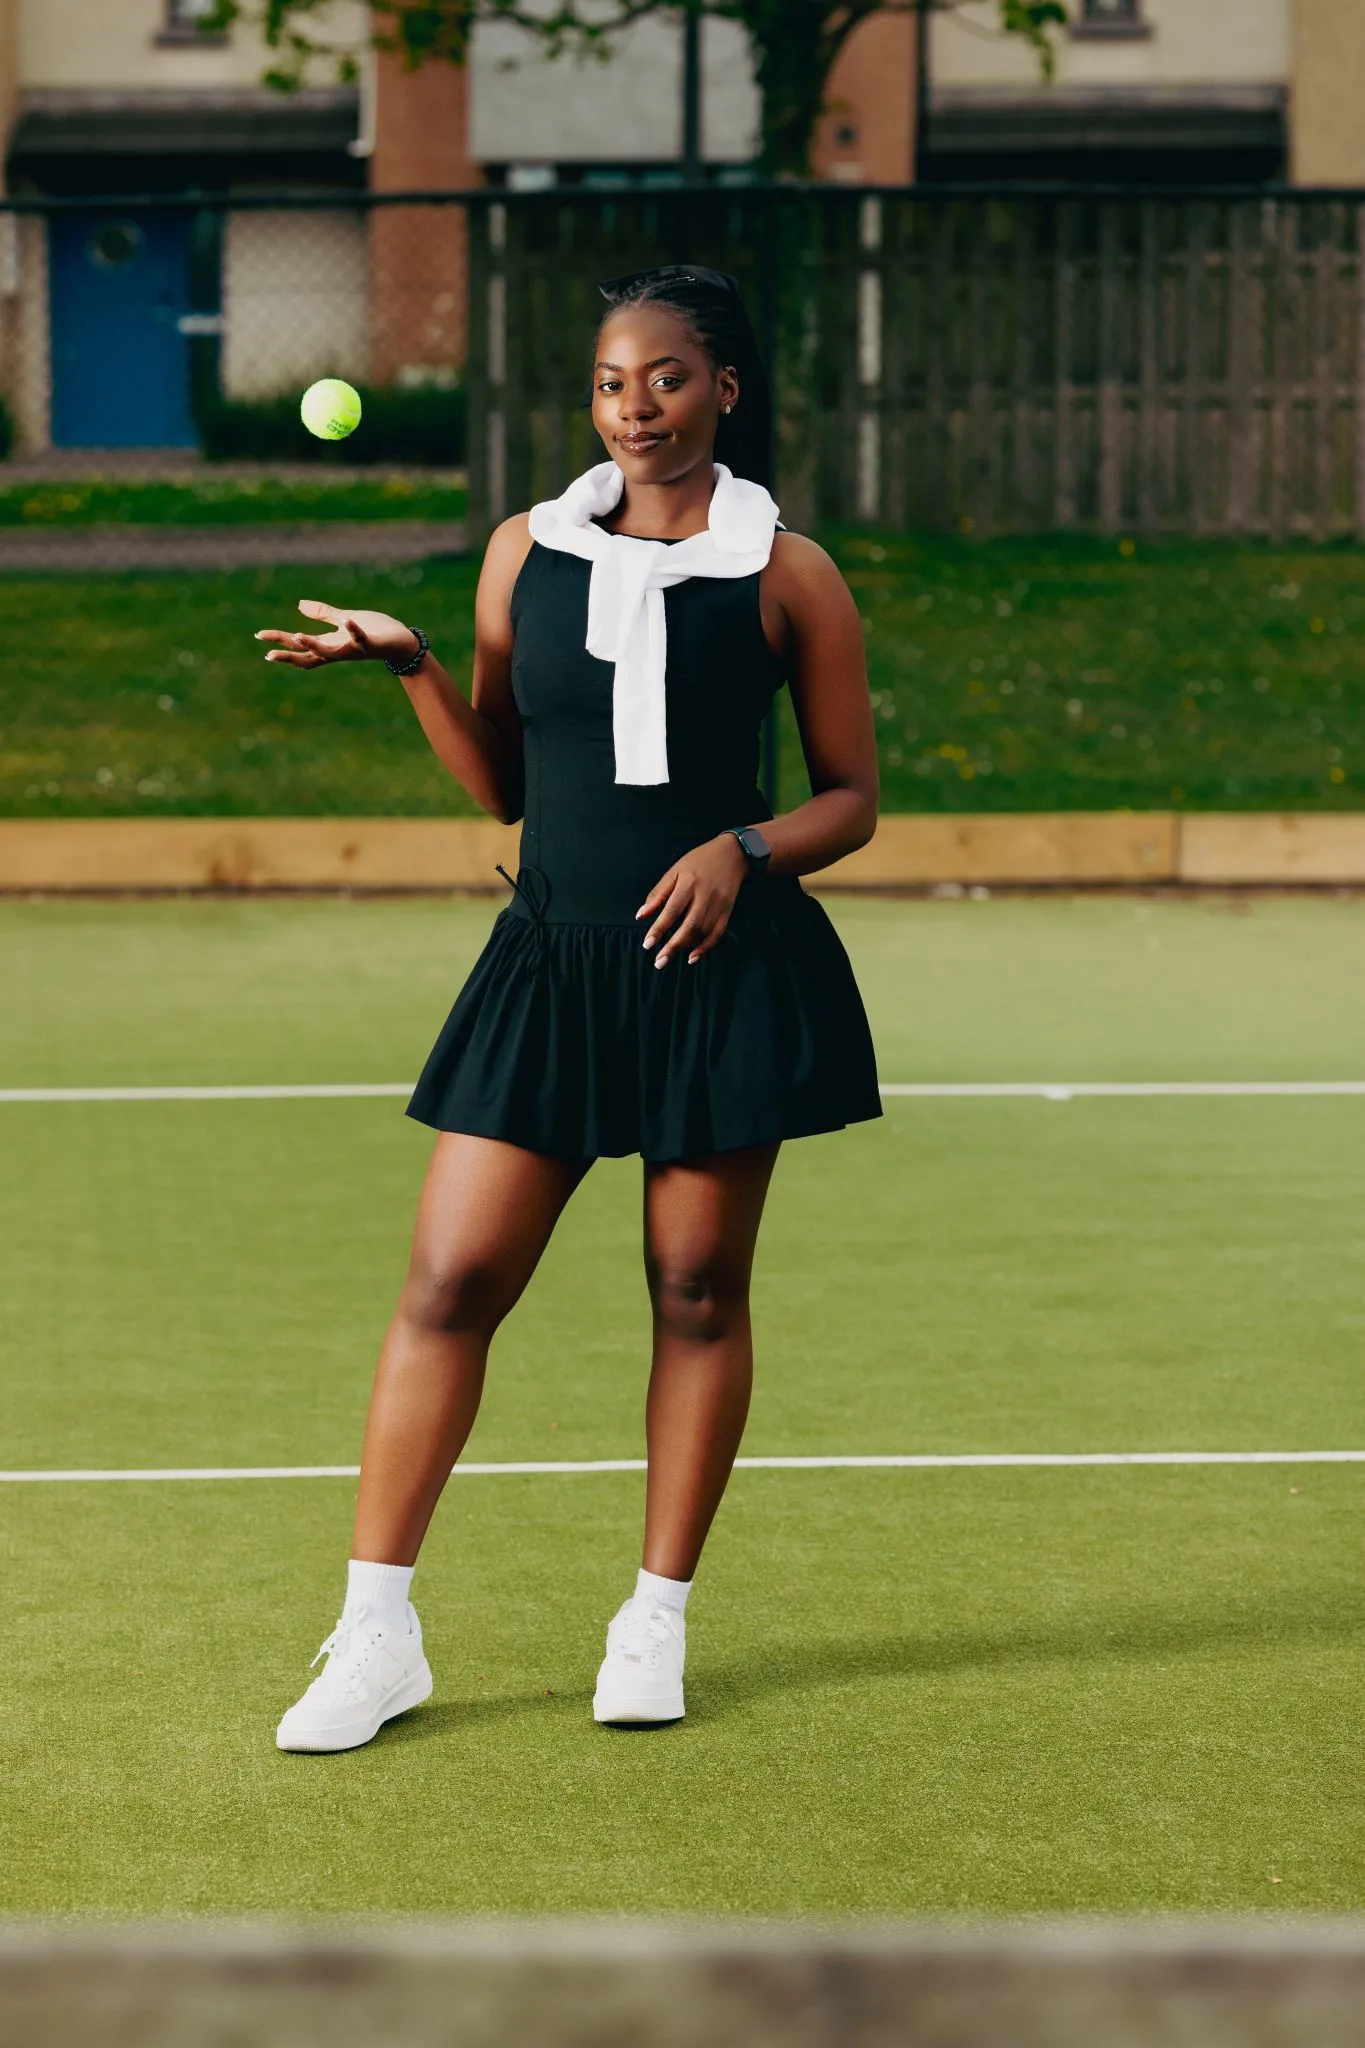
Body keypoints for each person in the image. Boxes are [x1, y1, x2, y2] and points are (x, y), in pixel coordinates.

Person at [256, 262, 883, 1753]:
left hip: (717, 971)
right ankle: (375, 1634)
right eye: (611, 382)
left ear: (724, 389)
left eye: (666, 378)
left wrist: (744, 851)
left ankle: (654, 1618)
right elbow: (504, 787)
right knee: (449, 1281)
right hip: (550, 967)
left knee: (696, 1290)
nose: (634, 408)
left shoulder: (788, 572)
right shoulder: (521, 554)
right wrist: (413, 665)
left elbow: (853, 798)